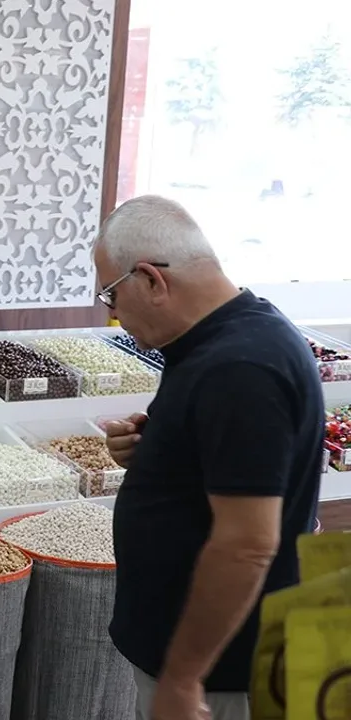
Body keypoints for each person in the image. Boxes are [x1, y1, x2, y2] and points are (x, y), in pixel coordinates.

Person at [95, 195, 323, 720]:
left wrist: (184, 676)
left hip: (220, 676)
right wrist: (155, 455)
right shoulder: (228, 336)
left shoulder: (239, 369)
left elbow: (247, 546)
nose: (111, 312)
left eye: (111, 293)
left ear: (151, 280)